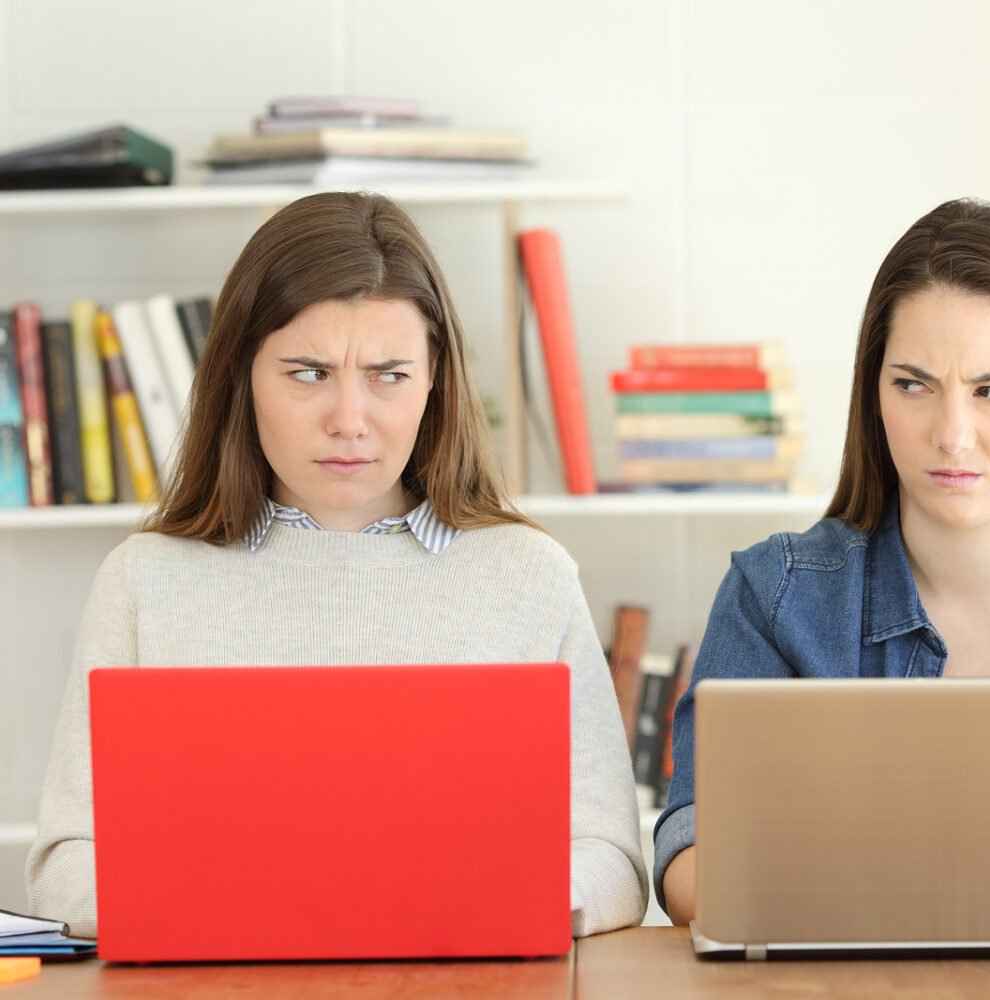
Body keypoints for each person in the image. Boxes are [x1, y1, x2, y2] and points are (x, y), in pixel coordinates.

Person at [27, 191, 647, 939]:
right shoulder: (144, 579)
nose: (349, 418)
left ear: (435, 381)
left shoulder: (530, 574)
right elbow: (66, 866)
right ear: (241, 376)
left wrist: (476, 902)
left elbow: (612, 860)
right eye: (308, 373)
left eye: (388, 374)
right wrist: (261, 910)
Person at [654, 197, 990, 924]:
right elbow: (690, 861)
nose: (952, 435)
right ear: (873, 394)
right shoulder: (776, 595)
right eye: (913, 385)